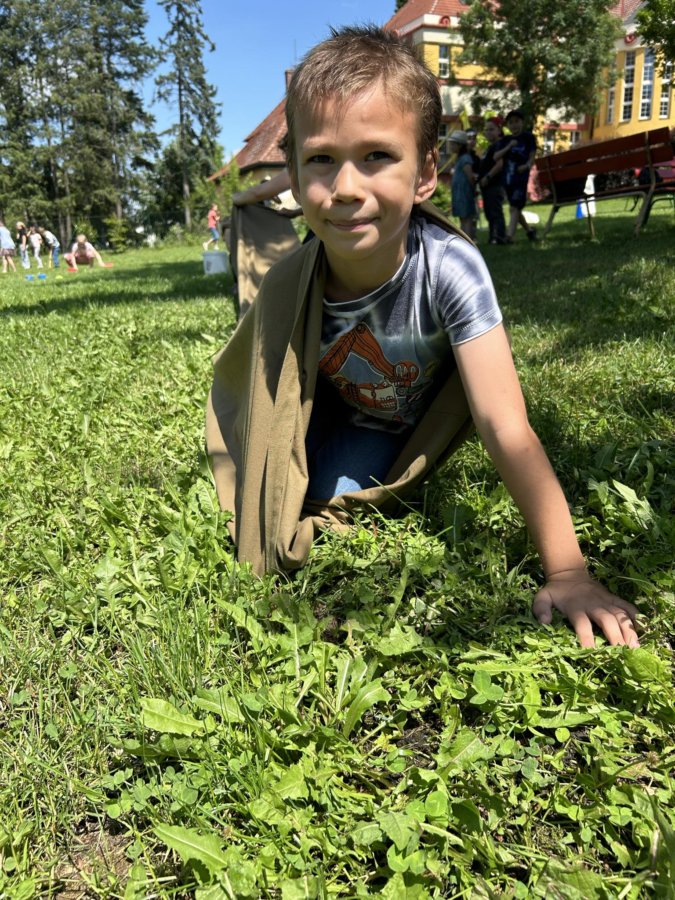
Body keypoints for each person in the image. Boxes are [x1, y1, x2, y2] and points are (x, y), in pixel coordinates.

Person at [206, 25, 639, 650]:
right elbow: (263, 393)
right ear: (295, 178)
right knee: (267, 495)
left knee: (329, 502)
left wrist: (568, 571)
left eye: (377, 156)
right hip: (323, 408)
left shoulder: (450, 270)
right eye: (322, 159)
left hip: (389, 425)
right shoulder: (288, 282)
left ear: (426, 172)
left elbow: (504, 423)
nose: (346, 188)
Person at [493, 108, 538, 243]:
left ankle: (509, 237)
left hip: (521, 179)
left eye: (517, 121)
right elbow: (496, 157)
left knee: (514, 207)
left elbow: (532, 155)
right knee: (515, 208)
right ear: (508, 125)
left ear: (522, 122)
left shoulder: (528, 138)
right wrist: (509, 146)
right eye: (511, 122)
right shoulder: (505, 140)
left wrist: (527, 166)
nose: (514, 125)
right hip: (508, 179)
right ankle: (530, 231)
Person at [478, 116, 507, 245]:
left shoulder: (499, 145)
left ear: (499, 130)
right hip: (487, 186)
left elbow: (500, 164)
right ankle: (493, 236)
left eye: (491, 129)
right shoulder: (491, 146)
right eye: (486, 130)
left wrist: (488, 177)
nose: (488, 132)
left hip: (495, 184)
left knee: (495, 211)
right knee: (489, 212)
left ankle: (499, 237)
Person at [449, 130, 477, 239]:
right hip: (459, 193)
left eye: (453, 144)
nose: (451, 146)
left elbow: (470, 176)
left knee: (467, 218)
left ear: (460, 145)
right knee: (462, 217)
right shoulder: (459, 159)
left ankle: (468, 240)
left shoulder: (465, 158)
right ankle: (464, 239)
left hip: (464, 193)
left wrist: (473, 189)